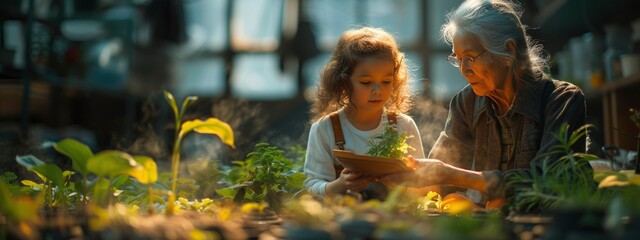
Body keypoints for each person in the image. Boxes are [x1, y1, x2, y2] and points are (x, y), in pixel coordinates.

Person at [381, 0, 588, 206]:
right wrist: (381, 180)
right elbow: (439, 175)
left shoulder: (562, 101)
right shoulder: (466, 102)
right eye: (458, 59)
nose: (463, 70)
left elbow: (550, 182)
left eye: (470, 57)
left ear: (509, 51)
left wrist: (454, 176)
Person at [303, 27, 425, 198]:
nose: (377, 90)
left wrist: (400, 184)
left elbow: (421, 182)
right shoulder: (325, 129)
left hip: (395, 219)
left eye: (386, 81)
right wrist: (340, 185)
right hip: (341, 221)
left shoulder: (404, 126)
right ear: (343, 82)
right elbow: (312, 186)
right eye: (366, 82)